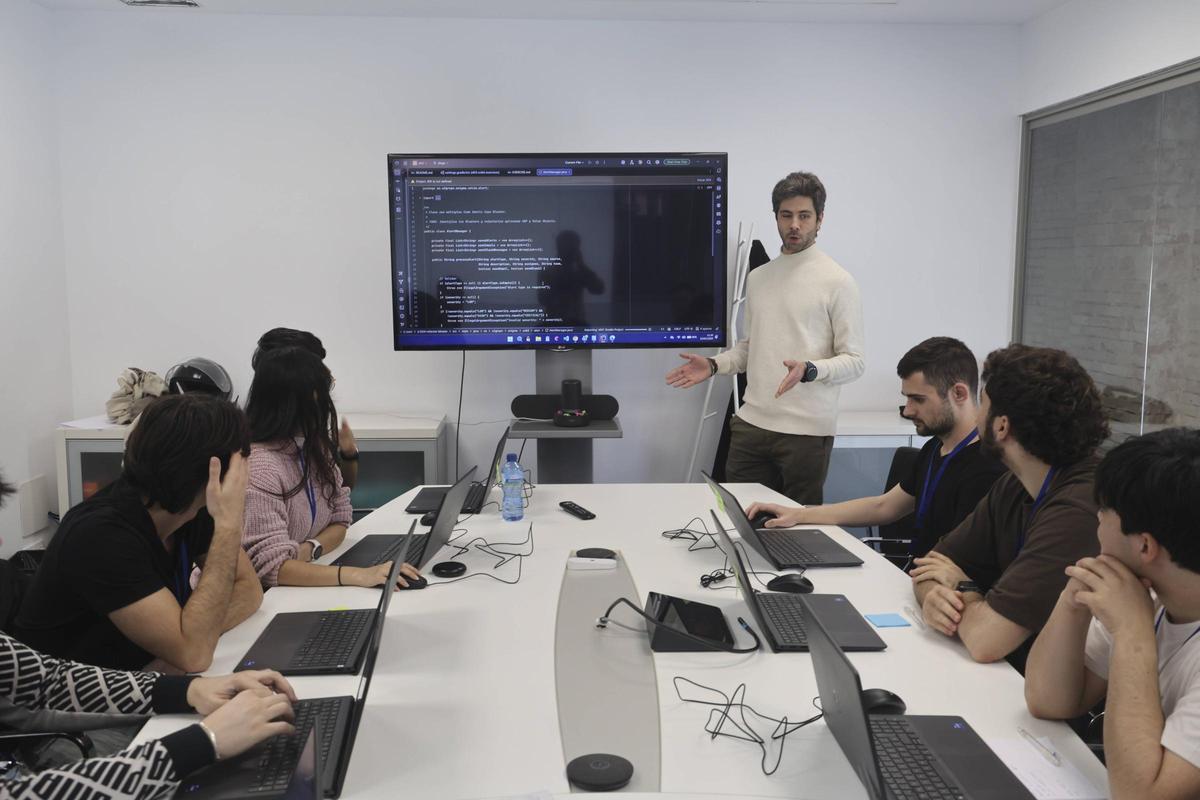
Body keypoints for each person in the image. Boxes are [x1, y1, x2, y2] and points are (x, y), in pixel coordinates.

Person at [14, 395, 263, 673]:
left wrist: (192, 639)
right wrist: (228, 526)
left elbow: (249, 590)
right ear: (212, 472)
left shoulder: (192, 508)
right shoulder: (100, 535)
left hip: (137, 680)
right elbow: (194, 654)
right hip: (68, 695)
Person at [665, 171, 864, 504]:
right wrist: (714, 365)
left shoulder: (838, 281)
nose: (794, 225)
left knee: (798, 528)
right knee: (738, 519)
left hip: (806, 434)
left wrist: (810, 369)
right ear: (776, 217)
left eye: (804, 216)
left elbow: (855, 361)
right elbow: (750, 347)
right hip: (751, 426)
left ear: (820, 219)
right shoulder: (759, 278)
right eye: (786, 215)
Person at [1025, 428, 1200, 799]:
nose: (1097, 520)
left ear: (1145, 546)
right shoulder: (1146, 594)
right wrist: (1073, 600)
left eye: (1104, 511)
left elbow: (1140, 795)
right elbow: (1048, 700)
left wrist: (1133, 634)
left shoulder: (1135, 611)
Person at [910, 344, 1108, 669]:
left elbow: (986, 641)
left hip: (1045, 689)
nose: (976, 416)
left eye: (983, 404)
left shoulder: (1079, 509)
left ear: (1001, 426)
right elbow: (930, 566)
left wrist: (963, 589)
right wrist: (933, 596)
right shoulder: (1016, 483)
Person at [747, 337, 1005, 560]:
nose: (908, 410)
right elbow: (883, 507)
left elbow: (965, 563)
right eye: (907, 398)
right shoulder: (935, 448)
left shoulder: (987, 469)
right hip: (918, 579)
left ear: (959, 394)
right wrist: (799, 514)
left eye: (918, 399)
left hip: (942, 591)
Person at [242, 346, 420, 589]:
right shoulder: (259, 468)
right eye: (322, 393)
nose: (326, 404)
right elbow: (274, 569)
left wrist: (310, 549)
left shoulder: (313, 447)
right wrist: (359, 576)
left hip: (300, 580)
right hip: (260, 598)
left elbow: (340, 519)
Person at [252, 327, 360, 490]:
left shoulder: (309, 434)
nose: (326, 374)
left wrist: (349, 454)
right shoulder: (260, 466)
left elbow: (339, 491)